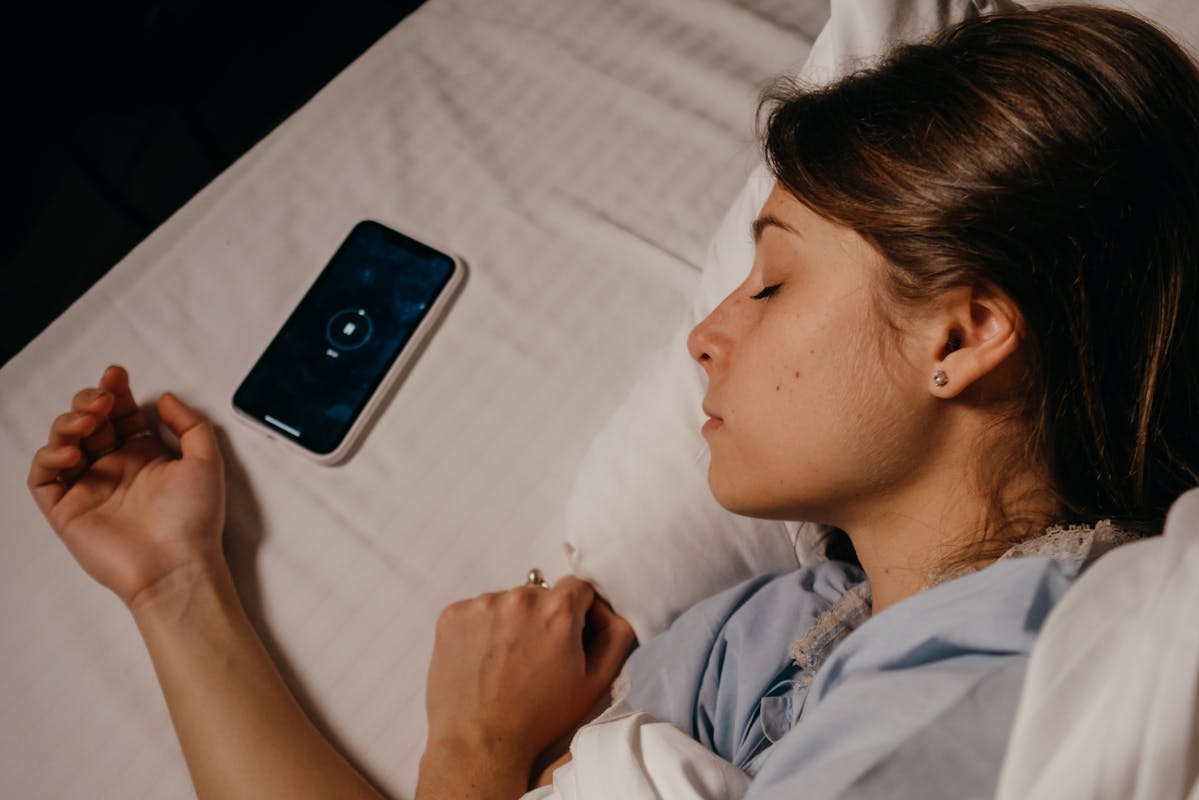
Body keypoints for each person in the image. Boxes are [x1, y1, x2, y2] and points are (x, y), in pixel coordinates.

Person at [25, 3, 1199, 799]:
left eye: (775, 279)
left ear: (962, 332)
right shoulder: (782, 629)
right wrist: (174, 581)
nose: (704, 332)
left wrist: (476, 745)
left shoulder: (996, 690)